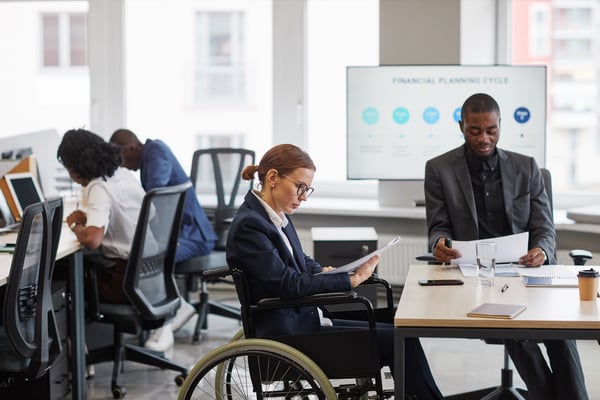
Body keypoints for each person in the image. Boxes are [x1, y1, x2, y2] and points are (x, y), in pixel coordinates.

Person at [226, 143, 444, 399]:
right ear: (273, 178)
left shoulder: (274, 215)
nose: (304, 196)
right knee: (400, 341)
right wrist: (346, 281)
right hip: (290, 334)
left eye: (307, 189)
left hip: (304, 319)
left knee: (399, 322)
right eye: (300, 187)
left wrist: (324, 271)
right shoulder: (250, 225)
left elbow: (300, 262)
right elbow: (287, 284)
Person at [425, 93, 588, 400]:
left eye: (491, 130)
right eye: (475, 130)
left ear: (500, 125)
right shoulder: (439, 169)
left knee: (561, 333)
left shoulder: (527, 168)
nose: (484, 138)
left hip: (526, 270)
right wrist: (440, 243)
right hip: (477, 276)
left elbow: (544, 228)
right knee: (517, 330)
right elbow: (438, 227)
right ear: (461, 126)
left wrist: (541, 249)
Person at [109, 128, 218, 351]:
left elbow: (155, 195)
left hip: (193, 236)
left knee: (150, 260)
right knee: (142, 255)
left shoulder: (155, 153)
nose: (121, 166)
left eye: (120, 160)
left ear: (130, 148)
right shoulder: (150, 155)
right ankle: (176, 308)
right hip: (182, 233)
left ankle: (170, 316)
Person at [58, 128, 146, 306]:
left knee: (56, 273)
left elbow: (92, 240)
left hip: (121, 283)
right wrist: (89, 221)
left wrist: (75, 225)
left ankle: (69, 334)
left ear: (74, 169)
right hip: (147, 276)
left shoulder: (99, 187)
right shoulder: (124, 174)